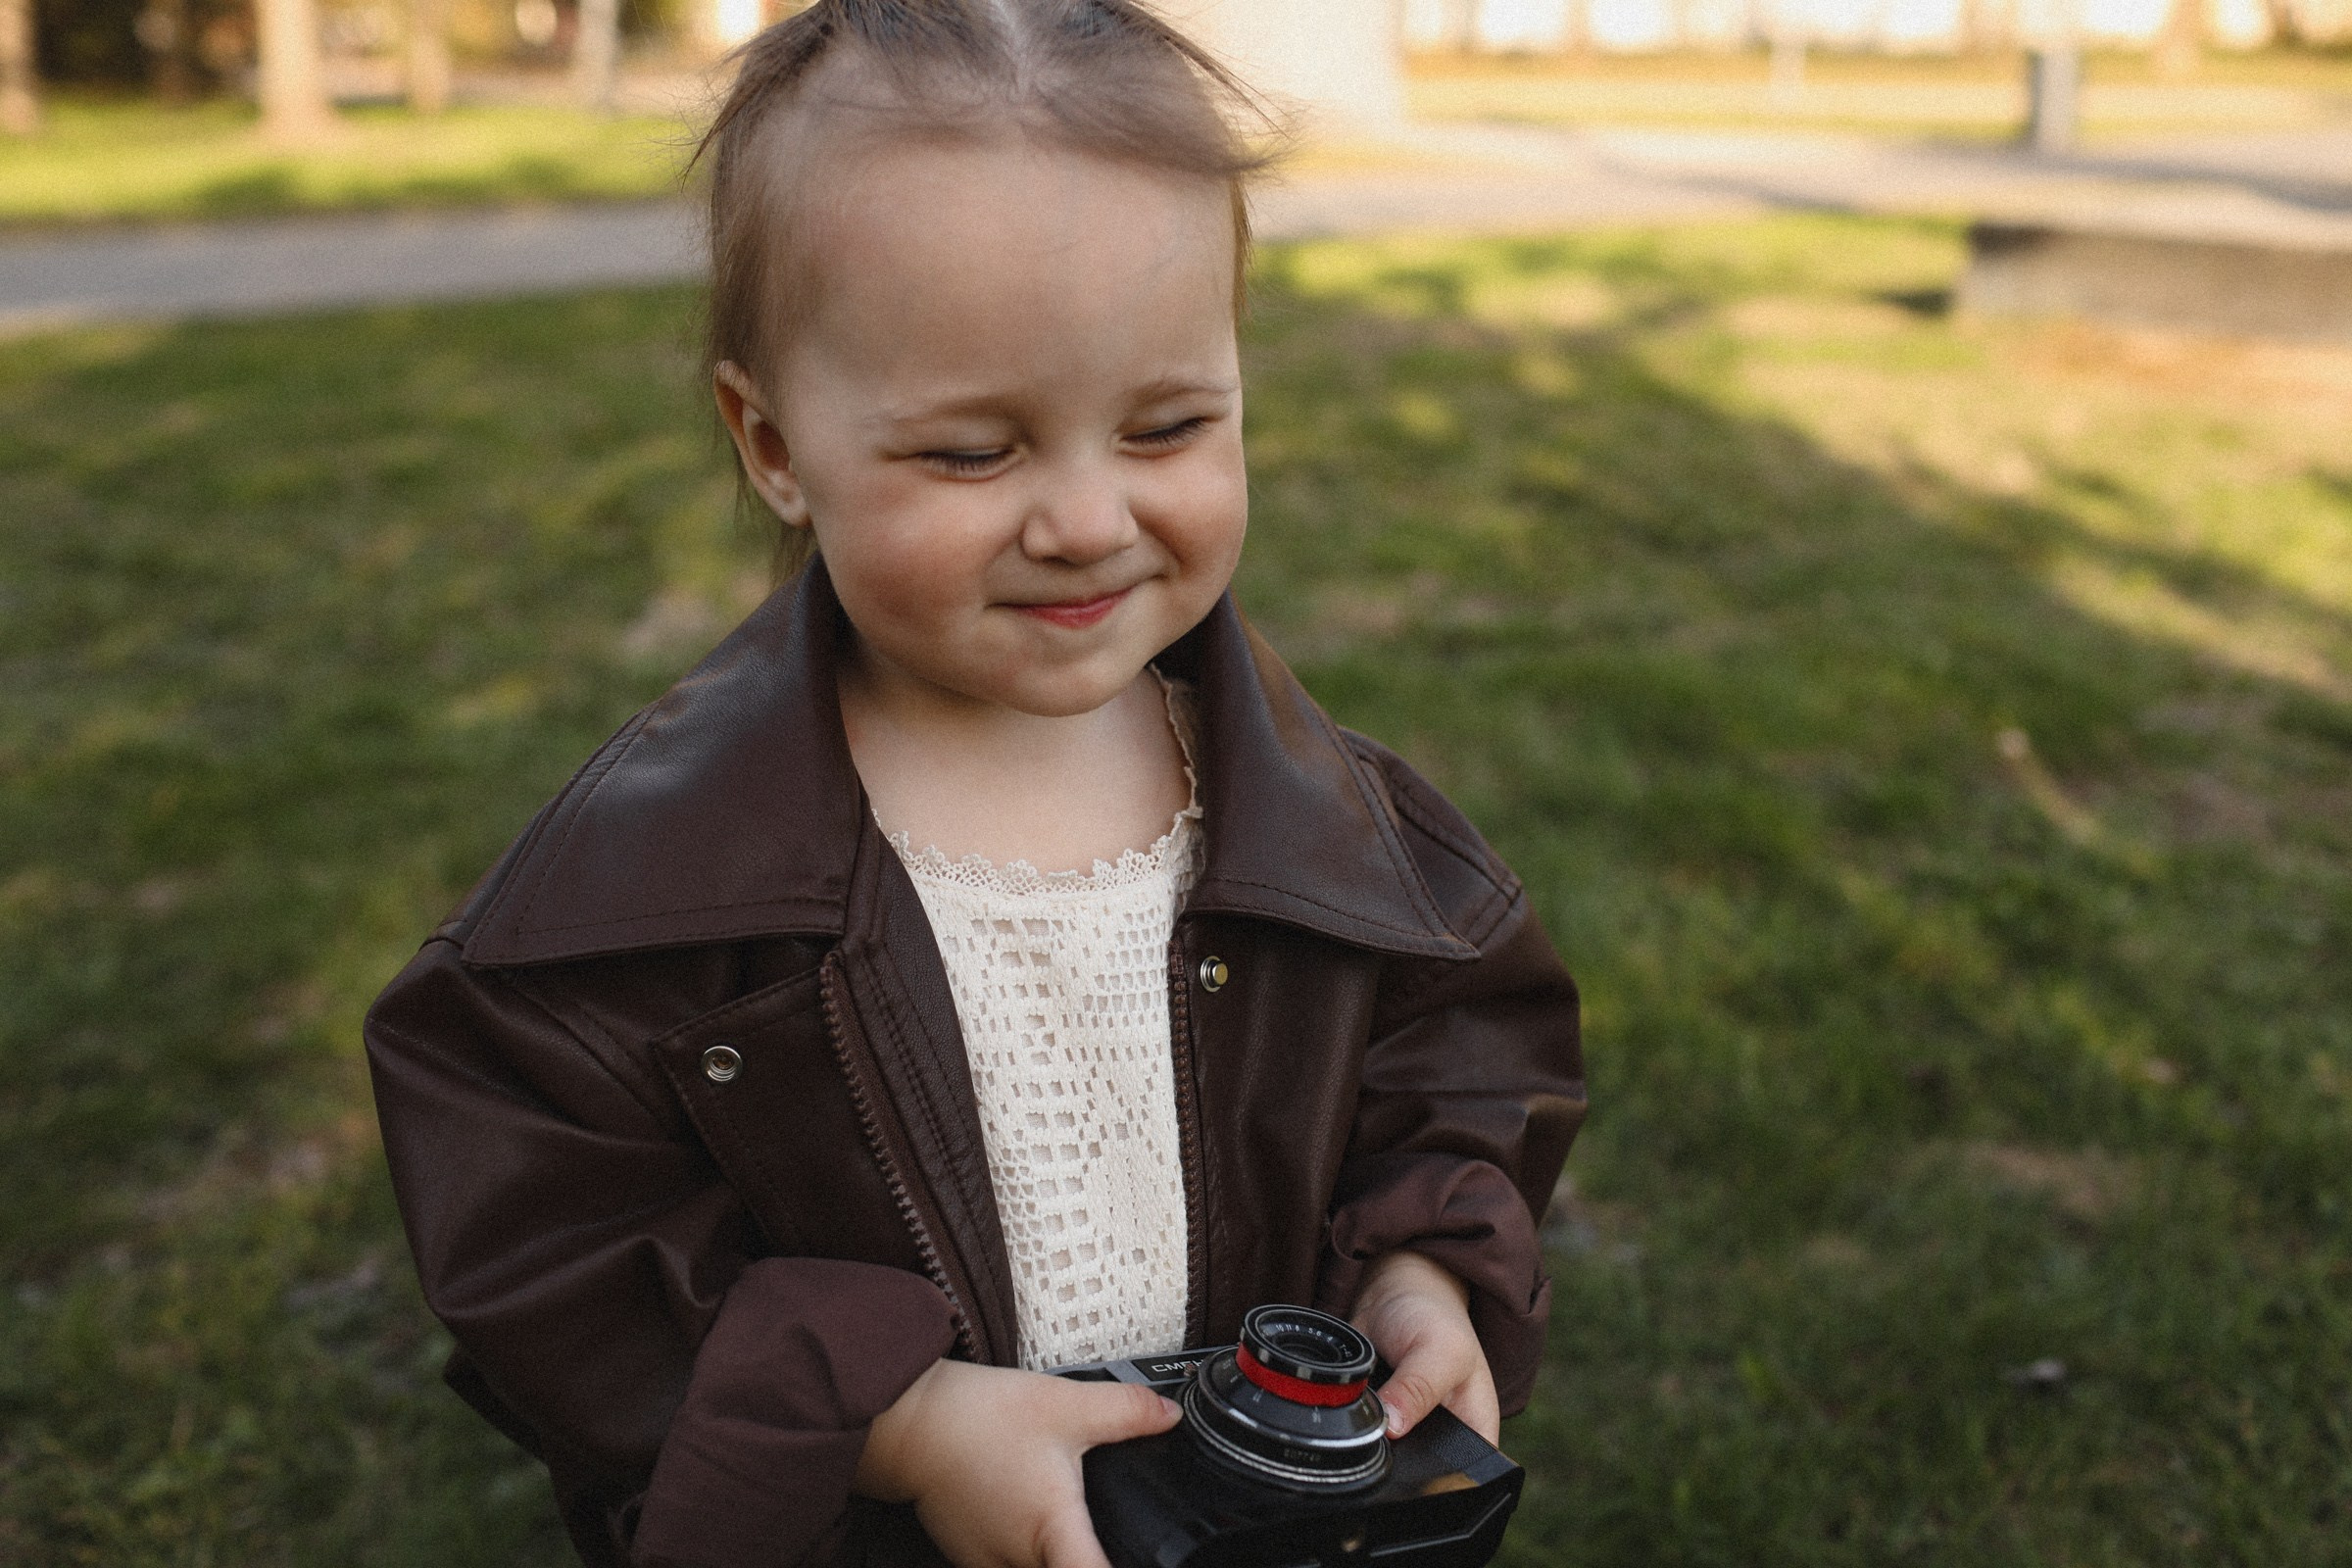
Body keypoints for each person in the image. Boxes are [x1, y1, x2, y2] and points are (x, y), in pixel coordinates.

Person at [363, 4, 1586, 1567]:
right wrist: (892, 1419)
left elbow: (1462, 1066)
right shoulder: (646, 898)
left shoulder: (1342, 835)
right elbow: (554, 1252)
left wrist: (1426, 1266)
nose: (1085, 518)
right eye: (968, 455)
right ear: (774, 442)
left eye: (1168, 426)